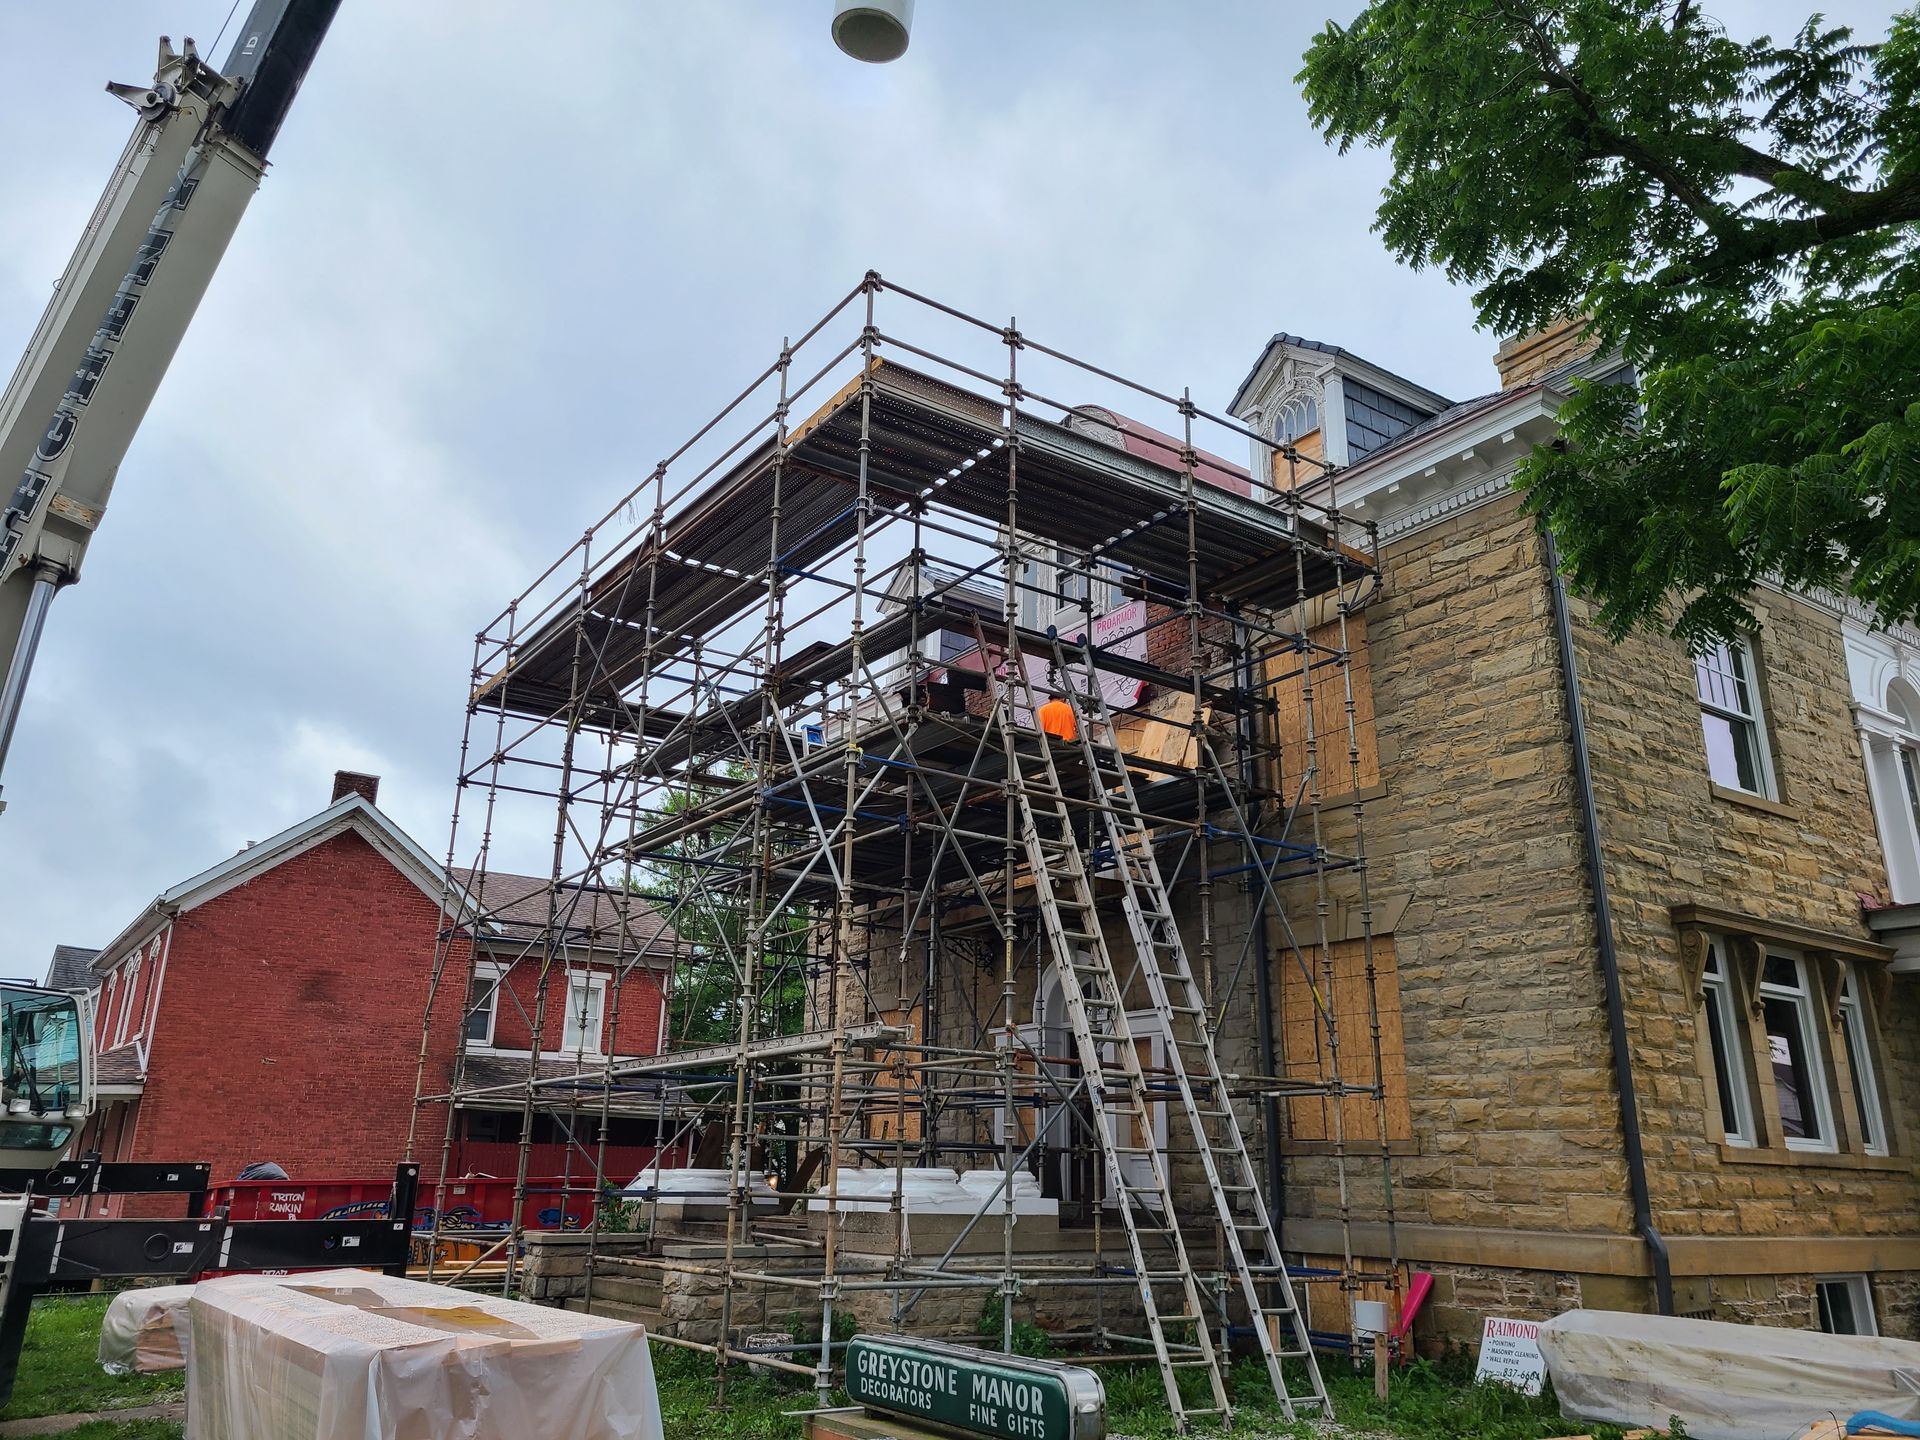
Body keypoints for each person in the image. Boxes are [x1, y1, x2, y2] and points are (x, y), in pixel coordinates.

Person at [1037, 668, 1077, 742]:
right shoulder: (1070, 709)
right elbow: (1078, 728)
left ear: (1050, 699)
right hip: (1068, 744)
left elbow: (1040, 729)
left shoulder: (1043, 709)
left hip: (1050, 743)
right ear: (1063, 698)